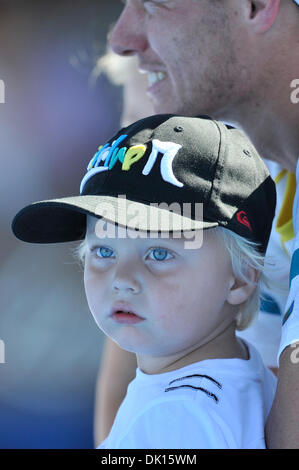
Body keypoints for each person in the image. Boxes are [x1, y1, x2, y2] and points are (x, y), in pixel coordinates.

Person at [11, 114, 277, 448]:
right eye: (104, 250)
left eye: (160, 254)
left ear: (239, 279)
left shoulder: (176, 418)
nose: (122, 279)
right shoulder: (245, 374)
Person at [104, 0, 299, 449]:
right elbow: (129, 421)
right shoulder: (235, 169)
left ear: (255, 7)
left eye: (154, 5)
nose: (120, 38)